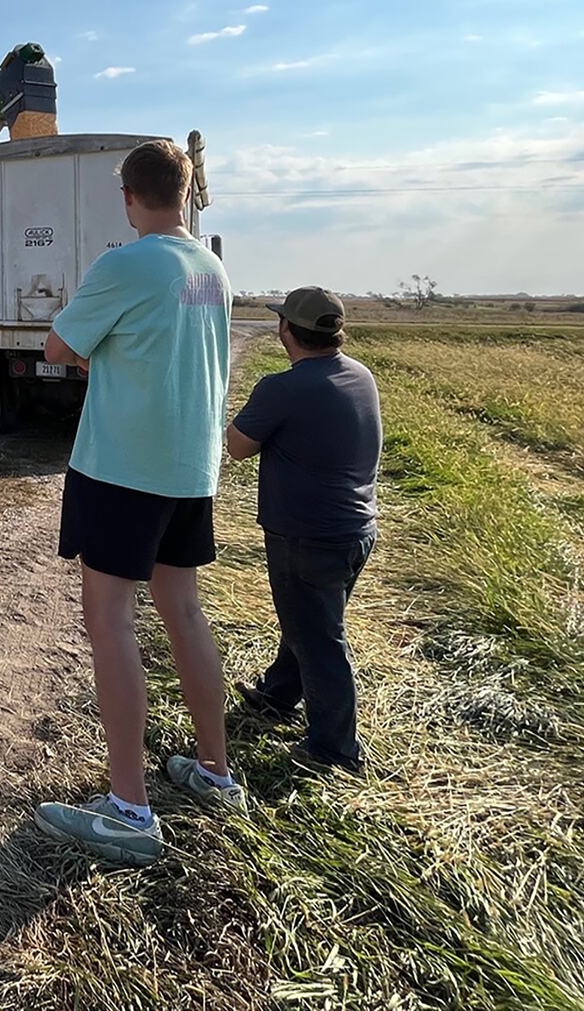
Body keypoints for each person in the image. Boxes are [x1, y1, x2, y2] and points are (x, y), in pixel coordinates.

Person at [32, 139, 238, 867]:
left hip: (124, 466)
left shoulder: (124, 263)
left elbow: (59, 347)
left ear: (128, 195)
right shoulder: (212, 270)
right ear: (188, 192)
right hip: (190, 468)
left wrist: (93, 348)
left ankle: (128, 808)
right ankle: (216, 772)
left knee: (108, 619)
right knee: (183, 609)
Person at [226, 286, 382, 772]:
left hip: (306, 536)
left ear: (286, 330)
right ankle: (278, 695)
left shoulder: (283, 388)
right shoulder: (360, 375)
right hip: (356, 530)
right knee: (307, 621)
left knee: (319, 637)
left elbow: (237, 446)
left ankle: (334, 750)